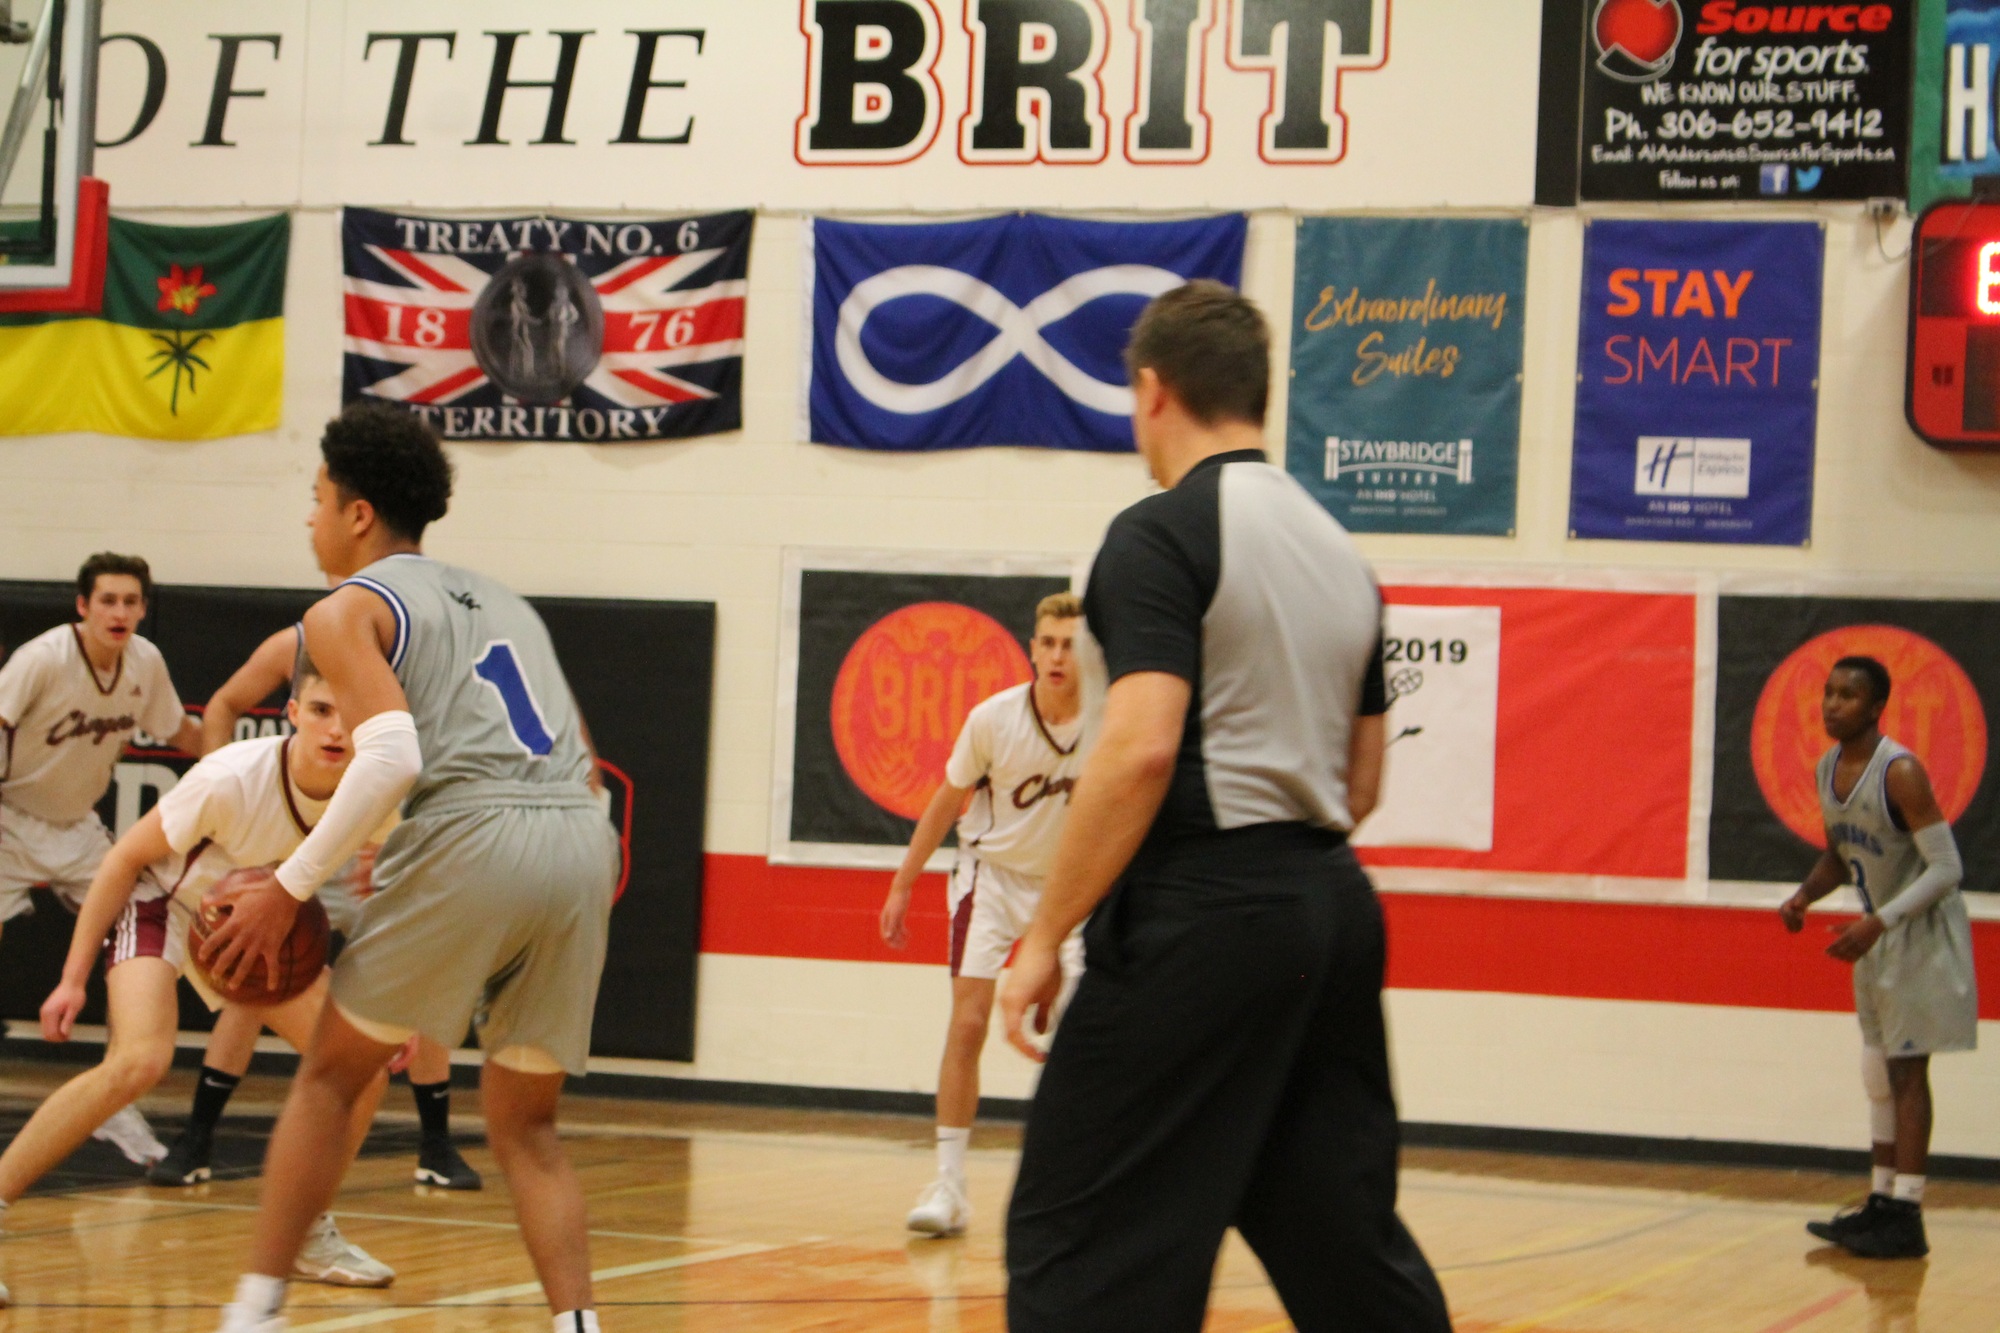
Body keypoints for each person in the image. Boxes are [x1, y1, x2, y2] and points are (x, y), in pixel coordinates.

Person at [996, 282, 1450, 1333]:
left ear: (1153, 391)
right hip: (1331, 908)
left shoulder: (1158, 533)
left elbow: (1142, 747)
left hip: (1202, 913)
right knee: (1333, 1231)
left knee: (1082, 1238)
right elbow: (1361, 784)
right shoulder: (1340, 554)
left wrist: (1045, 933)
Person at [205, 402, 618, 1333]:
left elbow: (390, 756)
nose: (308, 517)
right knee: (528, 1126)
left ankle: (252, 1313)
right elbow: (585, 761)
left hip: (478, 834)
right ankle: (580, 1327)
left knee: (330, 1079)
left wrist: (288, 885)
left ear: (357, 513)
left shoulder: (342, 609)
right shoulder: (504, 602)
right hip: (580, 841)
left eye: (316, 498)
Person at [0, 663, 395, 1306]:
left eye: (351, 716)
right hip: (166, 904)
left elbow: (399, 892)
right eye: (322, 710)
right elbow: (124, 858)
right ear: (293, 714)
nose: (336, 729)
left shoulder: (373, 791)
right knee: (140, 1059)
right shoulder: (231, 777)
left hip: (258, 930)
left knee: (363, 1069)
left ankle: (306, 1233)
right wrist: (72, 979)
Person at [148, 625, 484, 1193]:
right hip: (292, 840)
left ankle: (436, 1143)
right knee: (257, 980)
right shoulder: (293, 645)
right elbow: (225, 703)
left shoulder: (408, 650)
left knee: (420, 970)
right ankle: (197, 1137)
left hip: (369, 827)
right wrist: (222, 768)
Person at [879, 592, 1088, 1238]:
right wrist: (902, 884)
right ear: (1032, 648)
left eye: (1070, 644)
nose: (1057, 655)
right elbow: (946, 802)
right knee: (968, 1021)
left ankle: (1075, 1181)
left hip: (1070, 885)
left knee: (1082, 1030)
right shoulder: (994, 719)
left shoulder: (1111, 720)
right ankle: (949, 1185)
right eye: (1048, 642)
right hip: (990, 877)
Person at [0, 553, 205, 1172]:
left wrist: (241, 761)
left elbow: (182, 733)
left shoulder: (145, 662)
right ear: (83, 607)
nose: (120, 612)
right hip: (8, 818)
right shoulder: (42, 659)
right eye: (108, 600)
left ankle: (116, 1095)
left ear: (143, 609)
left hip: (78, 827)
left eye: (131, 601)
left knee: (138, 929)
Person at [1783, 656, 1978, 1261]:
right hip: (1878, 930)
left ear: (1875, 708)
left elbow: (1947, 868)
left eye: (1848, 695)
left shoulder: (1901, 772)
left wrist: (1880, 921)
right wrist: (1804, 895)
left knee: (1907, 1074)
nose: (1832, 703)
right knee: (1877, 1073)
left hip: (1918, 931)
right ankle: (1881, 1200)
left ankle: (1907, 1215)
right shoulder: (1827, 767)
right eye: (1828, 692)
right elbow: (1840, 855)